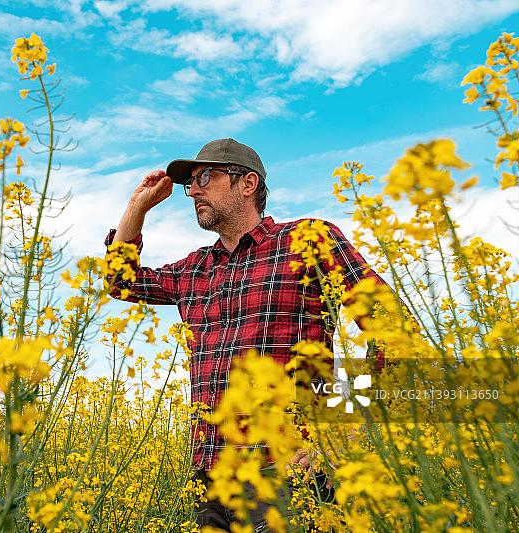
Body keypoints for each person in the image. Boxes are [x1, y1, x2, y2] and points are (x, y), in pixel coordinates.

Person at [104, 138, 386, 531]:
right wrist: (137, 207)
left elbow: (390, 326)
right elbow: (121, 282)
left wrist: (345, 431)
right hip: (211, 480)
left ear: (248, 183)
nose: (194, 190)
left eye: (206, 177)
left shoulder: (308, 241)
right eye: (191, 184)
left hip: (288, 471)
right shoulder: (196, 269)